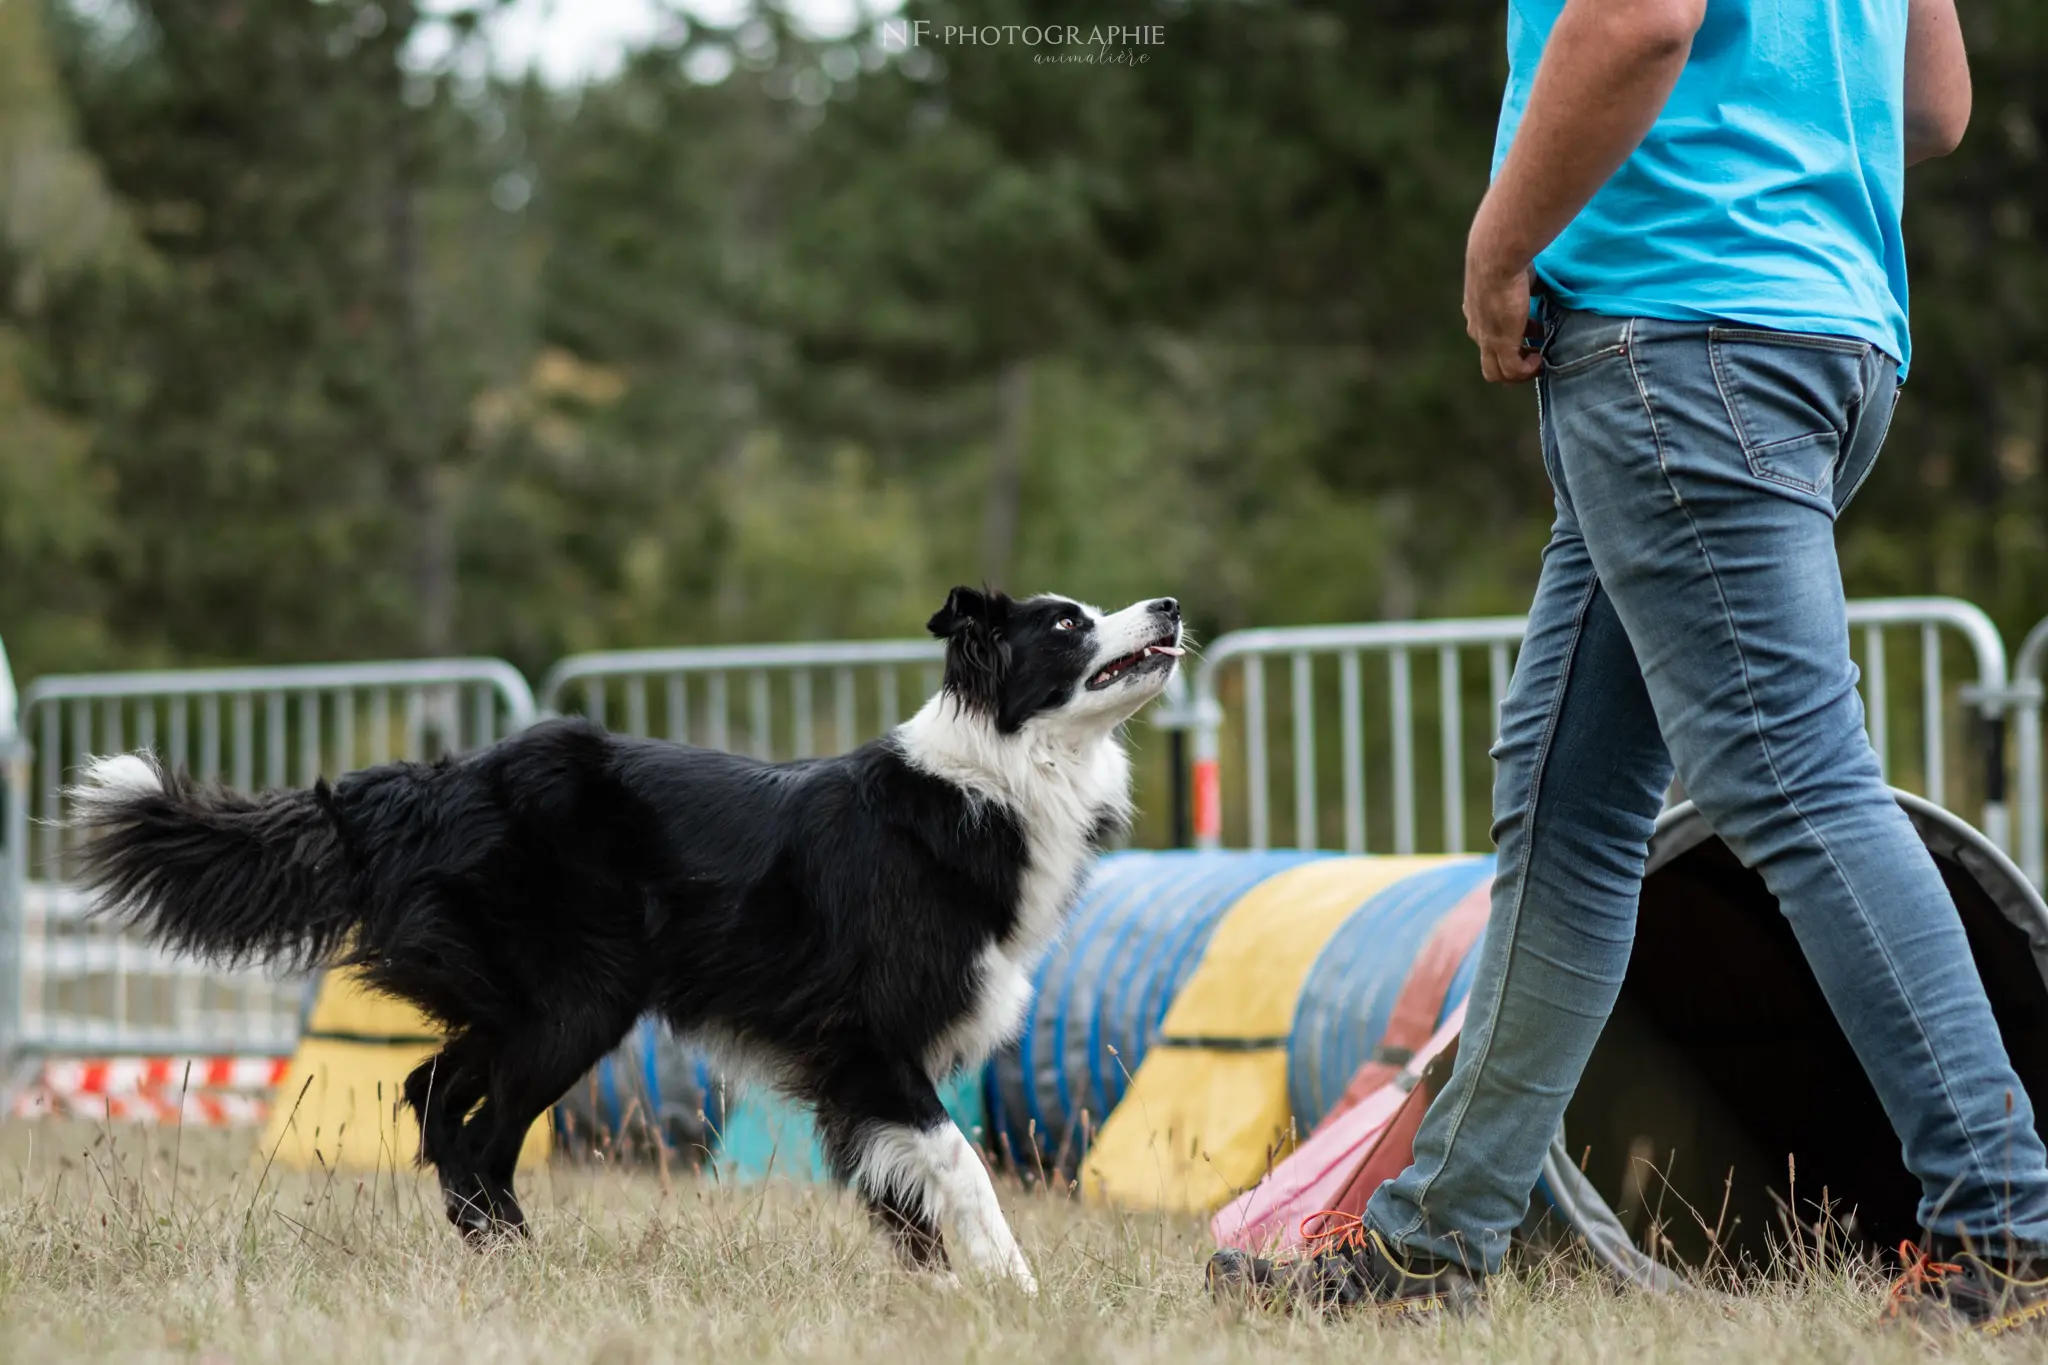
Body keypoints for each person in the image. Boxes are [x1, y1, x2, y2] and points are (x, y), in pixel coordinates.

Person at [1207, 0, 2048, 1336]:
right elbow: (1932, 104)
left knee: (1798, 791)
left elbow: (1640, 17)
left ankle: (2008, 1234)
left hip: (1684, 325)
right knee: (1570, 814)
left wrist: (1500, 243)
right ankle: (1435, 1246)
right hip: (1829, 324)